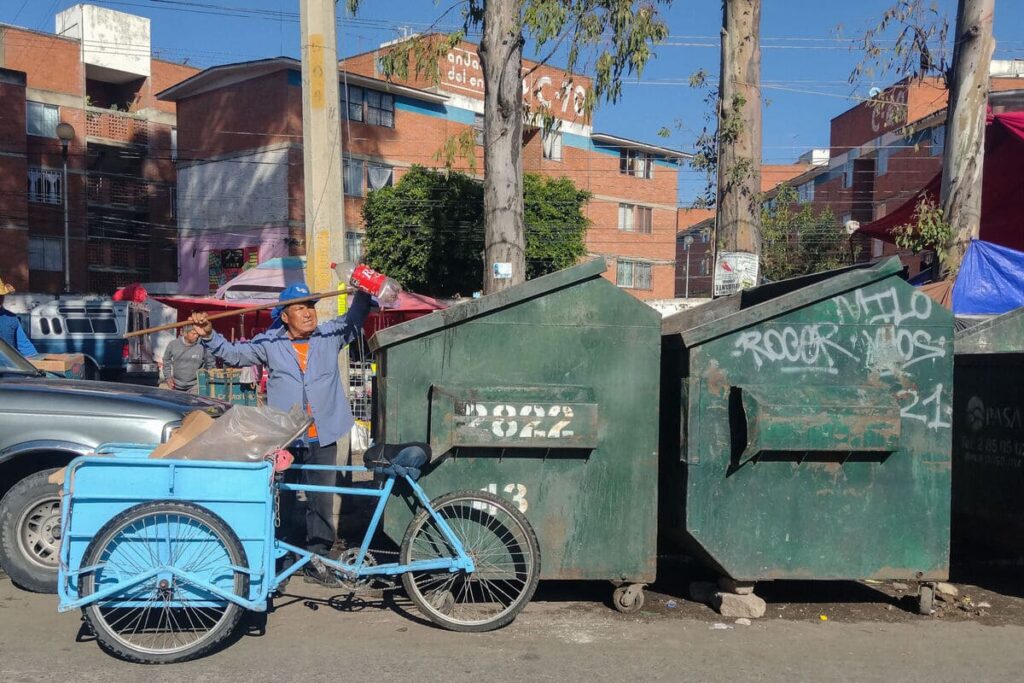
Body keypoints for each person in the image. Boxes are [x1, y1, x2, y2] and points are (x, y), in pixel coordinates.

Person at [188, 283, 371, 587]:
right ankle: (282, 559)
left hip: (323, 435)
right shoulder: (270, 343)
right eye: (300, 307)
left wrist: (364, 290)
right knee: (283, 500)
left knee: (321, 501)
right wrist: (209, 335)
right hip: (286, 438)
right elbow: (234, 355)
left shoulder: (329, 336)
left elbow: (355, 318)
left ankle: (318, 559)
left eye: (311, 306)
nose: (309, 313)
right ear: (285, 316)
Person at [162, 325, 215, 393]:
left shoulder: (202, 346)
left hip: (195, 385)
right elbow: (166, 360)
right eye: (193, 333)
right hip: (176, 385)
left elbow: (210, 363)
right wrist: (168, 378)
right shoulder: (173, 344)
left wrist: (206, 379)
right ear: (185, 334)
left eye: (197, 334)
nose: (196, 336)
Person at [0, 277, 38, 358]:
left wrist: (38, 363)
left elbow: (25, 346)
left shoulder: (11, 318)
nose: (0, 299)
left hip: (8, 368)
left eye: (1, 296)